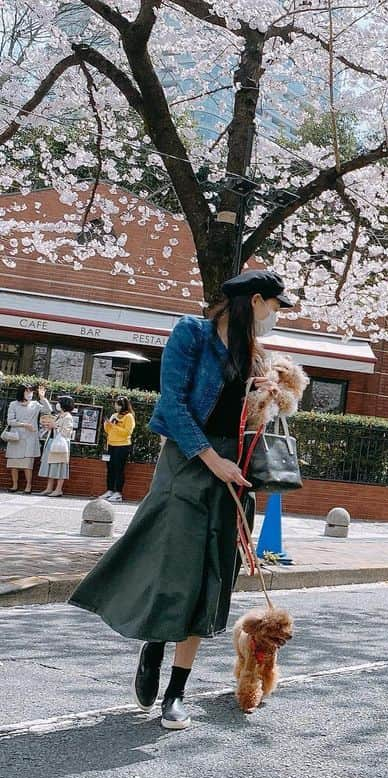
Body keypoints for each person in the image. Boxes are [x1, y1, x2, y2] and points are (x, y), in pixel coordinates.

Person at [69, 270, 292, 730]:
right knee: (173, 569)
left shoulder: (258, 355)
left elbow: (253, 423)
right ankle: (152, 647)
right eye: (273, 306)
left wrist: (266, 402)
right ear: (254, 301)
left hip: (234, 473)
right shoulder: (191, 334)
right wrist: (213, 460)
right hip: (189, 464)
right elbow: (172, 406)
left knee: (211, 579)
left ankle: (176, 691)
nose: (275, 316)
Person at [5, 383, 48, 493]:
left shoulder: (35, 404)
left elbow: (48, 410)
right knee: (13, 463)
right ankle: (14, 485)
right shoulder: (13, 404)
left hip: (30, 438)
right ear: (21, 392)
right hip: (16, 437)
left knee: (28, 464)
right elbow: (10, 421)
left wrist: (42, 397)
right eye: (27, 391)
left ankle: (28, 486)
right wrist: (25, 425)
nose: (29, 394)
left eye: (31, 392)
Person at [38, 395, 75, 497]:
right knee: (51, 466)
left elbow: (67, 432)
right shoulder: (59, 415)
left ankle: (58, 489)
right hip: (52, 442)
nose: (57, 404)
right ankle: (49, 488)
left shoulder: (68, 417)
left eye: (59, 402)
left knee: (59, 466)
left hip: (60, 445)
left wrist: (55, 426)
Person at [102, 396, 136, 502]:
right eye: (116, 404)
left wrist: (115, 425)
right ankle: (109, 490)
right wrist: (107, 424)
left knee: (119, 469)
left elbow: (127, 432)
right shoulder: (114, 415)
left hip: (122, 446)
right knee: (110, 468)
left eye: (118, 404)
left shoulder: (129, 417)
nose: (116, 406)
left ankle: (118, 493)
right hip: (111, 444)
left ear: (123, 405)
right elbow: (108, 430)